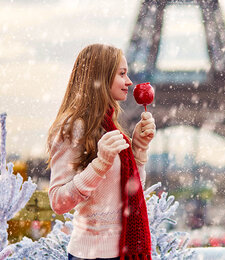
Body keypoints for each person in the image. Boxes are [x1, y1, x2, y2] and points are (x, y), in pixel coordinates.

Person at [47, 44, 155, 260]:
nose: (129, 81)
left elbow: (131, 192)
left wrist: (139, 150)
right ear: (101, 77)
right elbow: (58, 202)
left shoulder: (111, 128)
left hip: (122, 251)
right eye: (122, 74)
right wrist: (99, 165)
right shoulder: (72, 128)